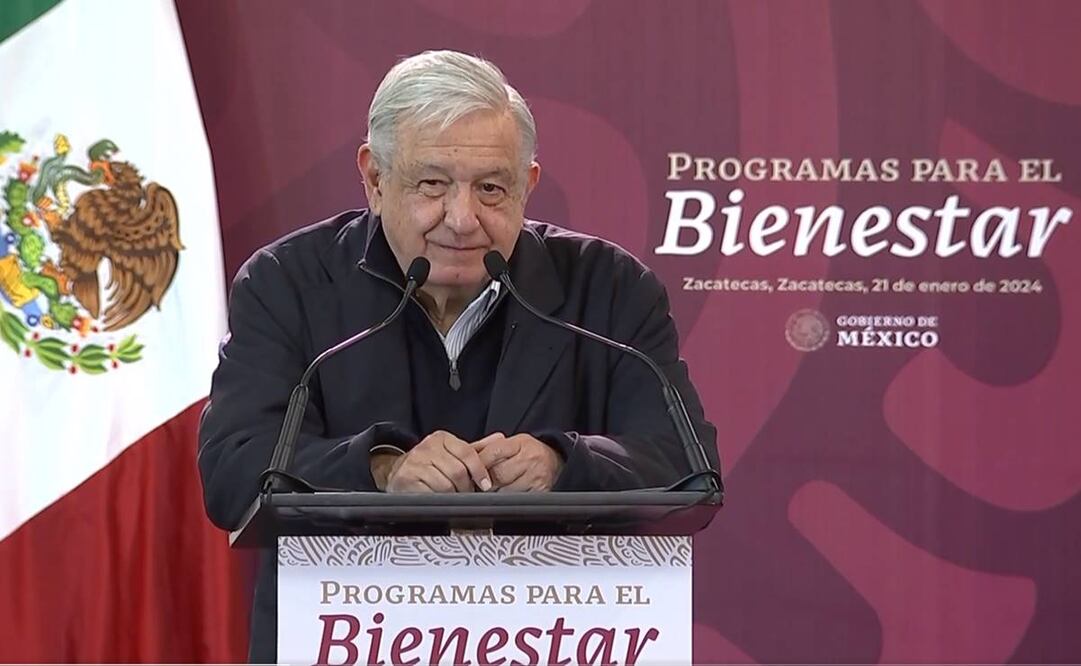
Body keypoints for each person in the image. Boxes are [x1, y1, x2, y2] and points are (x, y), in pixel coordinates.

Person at [197, 49, 719, 662]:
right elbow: (235, 469)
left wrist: (562, 462)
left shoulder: (609, 289)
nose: (462, 218)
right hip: (348, 639)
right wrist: (381, 471)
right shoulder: (287, 282)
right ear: (373, 178)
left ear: (528, 186)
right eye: (432, 185)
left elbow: (686, 466)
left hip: (557, 637)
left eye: (492, 189)